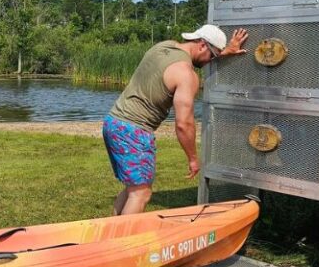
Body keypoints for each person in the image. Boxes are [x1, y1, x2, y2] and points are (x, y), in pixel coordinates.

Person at [103, 25, 249, 215]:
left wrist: (225, 52)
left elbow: (191, 58)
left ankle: (112, 229)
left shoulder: (164, 47)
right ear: (202, 45)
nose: (210, 61)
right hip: (134, 131)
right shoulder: (187, 75)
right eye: (212, 56)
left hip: (113, 122)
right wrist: (193, 159)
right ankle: (125, 235)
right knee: (141, 194)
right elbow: (183, 124)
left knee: (134, 188)